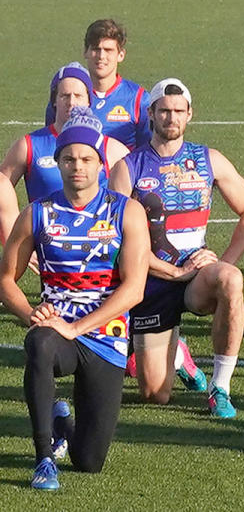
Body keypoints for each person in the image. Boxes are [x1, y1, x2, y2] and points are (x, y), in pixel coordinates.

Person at [0, 108, 149, 490]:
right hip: (56, 331)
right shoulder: (38, 213)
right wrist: (32, 312)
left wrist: (77, 327)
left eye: (86, 158)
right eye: (69, 158)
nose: (77, 167)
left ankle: (62, 422)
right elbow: (6, 280)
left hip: (106, 336)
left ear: (101, 163)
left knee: (89, 461)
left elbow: (134, 289)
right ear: (58, 162)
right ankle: (44, 458)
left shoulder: (126, 211)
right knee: (39, 343)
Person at [109, 78, 244, 417]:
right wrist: (175, 272)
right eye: (164, 111)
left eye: (179, 111)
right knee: (154, 394)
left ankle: (220, 388)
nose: (171, 118)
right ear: (151, 114)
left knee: (231, 279)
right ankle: (178, 356)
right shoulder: (128, 168)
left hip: (198, 277)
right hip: (152, 280)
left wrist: (222, 262)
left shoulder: (209, 160)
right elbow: (117, 241)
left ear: (190, 114)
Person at [1, 63, 130, 242]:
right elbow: (2, 185)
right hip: (46, 244)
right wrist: (14, 239)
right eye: (64, 95)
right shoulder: (29, 145)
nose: (71, 102)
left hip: (97, 244)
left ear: (88, 100)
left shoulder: (111, 148)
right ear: (54, 100)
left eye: (78, 95)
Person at [68, 19, 151, 150]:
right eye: (96, 49)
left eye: (108, 50)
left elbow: (147, 152)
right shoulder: (68, 96)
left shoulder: (139, 99)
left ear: (121, 55)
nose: (101, 56)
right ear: (85, 52)